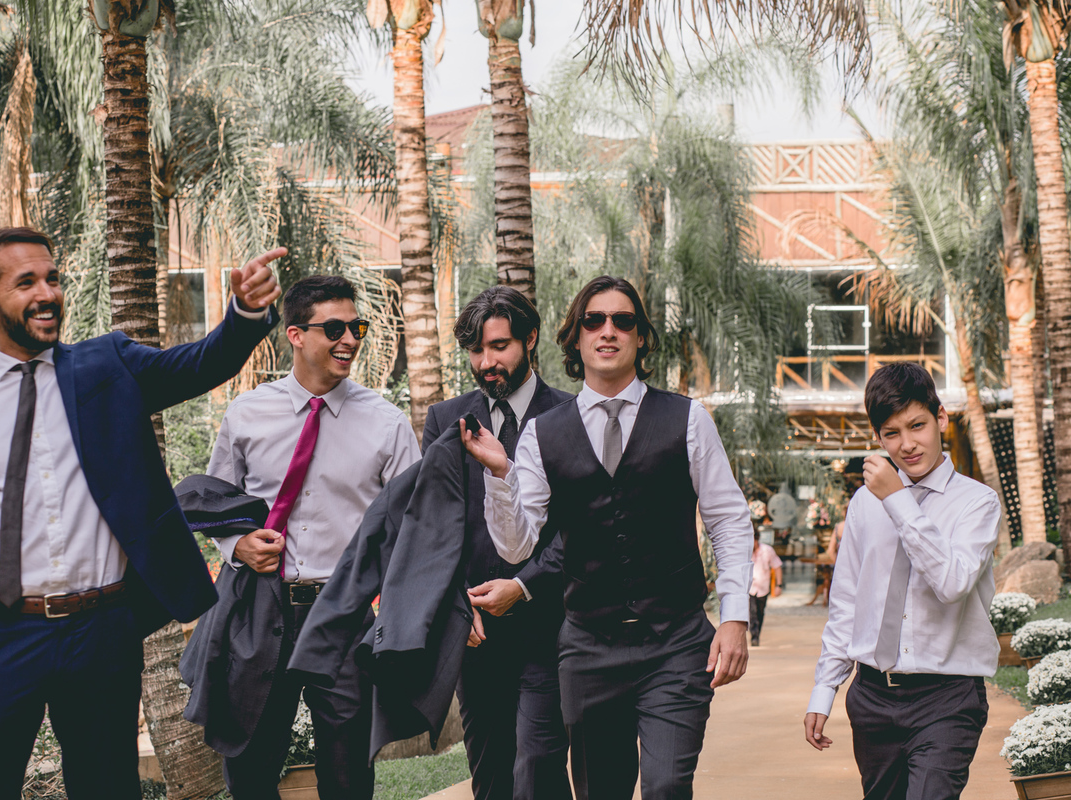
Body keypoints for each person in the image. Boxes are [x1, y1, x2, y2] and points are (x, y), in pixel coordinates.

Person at [0, 227, 283, 800]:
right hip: (0, 636)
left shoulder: (106, 366)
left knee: (107, 789)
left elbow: (199, 365)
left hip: (101, 628)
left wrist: (244, 313)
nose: (48, 293)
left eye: (53, 278)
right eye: (26, 282)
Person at [462, 275, 753, 800]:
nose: (608, 330)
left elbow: (728, 519)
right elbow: (516, 547)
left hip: (676, 642)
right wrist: (499, 475)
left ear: (641, 337)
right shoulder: (543, 433)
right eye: (594, 320)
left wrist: (734, 618)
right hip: (589, 650)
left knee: (666, 785)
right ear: (576, 337)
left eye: (624, 320)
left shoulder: (688, 420)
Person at [202, 275, 420, 799]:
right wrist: (237, 547)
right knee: (251, 766)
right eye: (335, 328)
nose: (350, 339)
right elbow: (215, 506)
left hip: (343, 616)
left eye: (357, 327)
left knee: (348, 773)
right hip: (261, 610)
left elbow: (412, 528)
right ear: (296, 334)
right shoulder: (247, 414)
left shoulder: (387, 424)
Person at [805, 362, 1001, 800]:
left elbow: (951, 584)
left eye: (917, 426)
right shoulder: (862, 504)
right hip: (872, 698)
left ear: (941, 419)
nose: (907, 444)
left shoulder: (978, 503)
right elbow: (848, 602)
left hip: (947, 697)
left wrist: (896, 498)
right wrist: (825, 688)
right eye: (892, 433)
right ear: (878, 438)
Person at [421, 286, 573, 800]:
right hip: (475, 633)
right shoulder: (447, 420)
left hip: (551, 627)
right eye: (475, 350)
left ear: (530, 339)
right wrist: (456, 606)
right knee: (490, 780)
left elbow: (576, 529)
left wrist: (523, 586)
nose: (487, 362)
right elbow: (434, 527)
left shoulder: (572, 417)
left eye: (500, 346)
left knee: (539, 768)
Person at [749, 533, 783, 647]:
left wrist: (779, 585)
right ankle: (754, 636)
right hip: (750, 588)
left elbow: (777, 566)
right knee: (752, 612)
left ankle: (757, 633)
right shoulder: (745, 551)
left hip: (763, 587)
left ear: (756, 539)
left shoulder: (767, 550)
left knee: (760, 612)